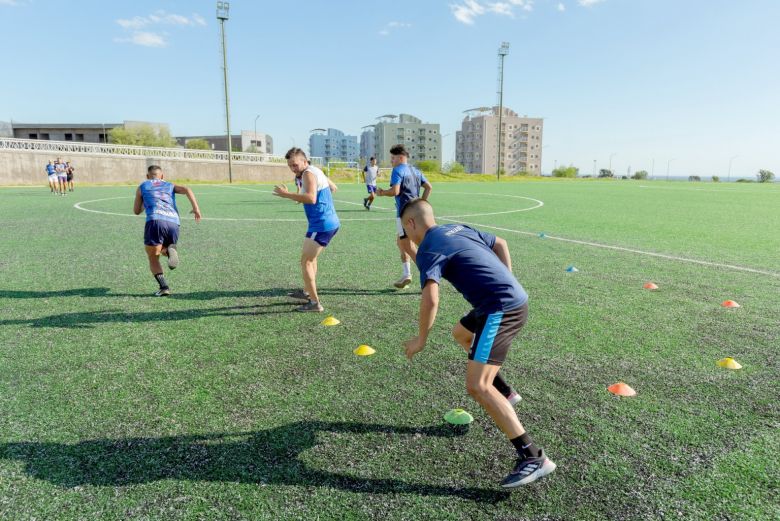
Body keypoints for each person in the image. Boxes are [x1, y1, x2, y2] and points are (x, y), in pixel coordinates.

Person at [400, 198, 556, 489]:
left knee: (477, 386)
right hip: (502, 301)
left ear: (411, 223)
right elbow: (501, 243)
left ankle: (533, 457)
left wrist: (421, 339)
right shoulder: (458, 228)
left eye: (405, 228)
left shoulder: (427, 250)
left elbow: (431, 298)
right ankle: (506, 393)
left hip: (500, 308)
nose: (406, 235)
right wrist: (507, 276)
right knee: (461, 333)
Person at [273, 148, 340, 312]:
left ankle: (315, 303)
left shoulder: (308, 174)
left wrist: (287, 195)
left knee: (306, 261)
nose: (293, 168)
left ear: (305, 161)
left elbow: (311, 198)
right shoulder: (315, 171)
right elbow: (333, 187)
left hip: (322, 224)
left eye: (295, 164)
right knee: (311, 259)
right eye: (290, 166)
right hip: (325, 222)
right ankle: (307, 292)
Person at [133, 165, 202, 296]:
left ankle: (164, 287)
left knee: (153, 257)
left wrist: (145, 201)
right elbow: (187, 189)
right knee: (164, 248)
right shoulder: (169, 185)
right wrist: (196, 208)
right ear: (162, 176)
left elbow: (136, 211)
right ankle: (169, 251)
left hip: (155, 220)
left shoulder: (143, 186)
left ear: (148, 177)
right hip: (173, 222)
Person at [376, 144, 432, 288]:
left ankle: (428, 276)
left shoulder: (397, 170)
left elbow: (395, 191)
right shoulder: (416, 170)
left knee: (407, 245)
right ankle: (406, 274)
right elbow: (428, 187)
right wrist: (423, 202)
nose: (391, 161)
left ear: (401, 157)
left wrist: (382, 192)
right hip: (418, 213)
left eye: (393, 158)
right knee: (401, 242)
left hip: (404, 214)